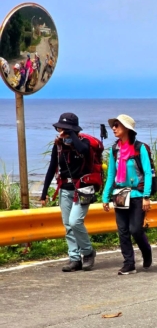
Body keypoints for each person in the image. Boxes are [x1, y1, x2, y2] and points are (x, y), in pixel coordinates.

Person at [40, 113, 97, 272]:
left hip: (83, 189)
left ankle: (88, 252)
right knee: (68, 225)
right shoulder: (58, 146)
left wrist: (72, 134)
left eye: (65, 129)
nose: (61, 132)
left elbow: (83, 150)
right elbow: (52, 168)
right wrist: (44, 193)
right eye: (61, 128)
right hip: (65, 189)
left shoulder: (84, 143)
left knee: (75, 221)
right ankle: (74, 258)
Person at [101, 115, 153, 275]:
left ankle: (146, 251)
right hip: (120, 194)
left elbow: (147, 173)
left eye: (117, 125)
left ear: (127, 128)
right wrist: (105, 196)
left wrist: (146, 196)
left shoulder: (140, 148)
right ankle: (129, 264)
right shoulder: (114, 150)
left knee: (135, 229)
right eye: (113, 126)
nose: (114, 128)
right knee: (123, 230)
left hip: (137, 194)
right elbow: (111, 174)